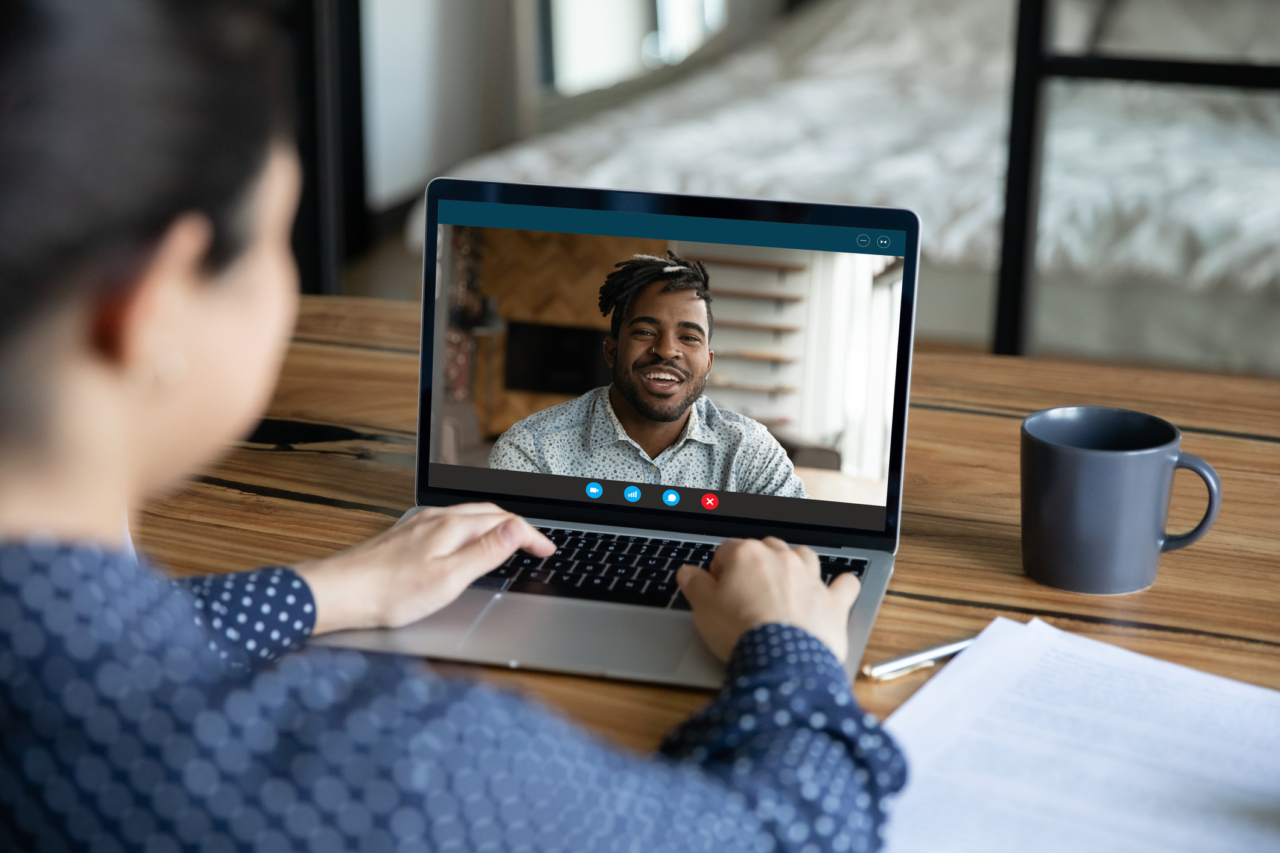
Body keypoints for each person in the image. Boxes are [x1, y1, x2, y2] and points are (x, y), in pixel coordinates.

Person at [0, 2, 904, 851]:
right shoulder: (407, 768)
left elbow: (110, 635)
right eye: (280, 235)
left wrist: (324, 591)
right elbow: (787, 829)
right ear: (151, 311)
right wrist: (793, 651)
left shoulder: (58, 645)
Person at [488, 252, 812, 497]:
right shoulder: (532, 450)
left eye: (689, 337)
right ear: (611, 351)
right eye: (645, 331)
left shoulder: (750, 451)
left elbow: (800, 553)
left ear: (708, 363)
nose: (667, 350)